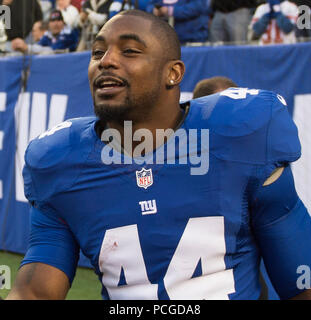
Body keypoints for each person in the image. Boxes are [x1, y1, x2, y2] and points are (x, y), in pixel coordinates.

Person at [6, 10, 311, 300]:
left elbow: (301, 282)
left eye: (129, 51)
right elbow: (35, 290)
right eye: (97, 52)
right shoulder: (60, 160)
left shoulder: (242, 135)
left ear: (173, 73)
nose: (106, 61)